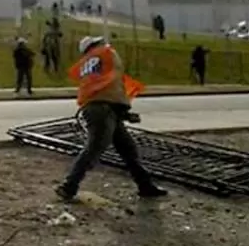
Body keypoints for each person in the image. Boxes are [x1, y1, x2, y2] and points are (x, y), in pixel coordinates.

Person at [56, 36, 167, 202]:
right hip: (102, 111)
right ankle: (68, 186)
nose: (105, 45)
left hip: (102, 109)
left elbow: (106, 91)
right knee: (93, 149)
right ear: (93, 47)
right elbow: (112, 89)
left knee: (128, 150)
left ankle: (145, 186)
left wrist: (123, 113)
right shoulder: (105, 55)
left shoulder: (92, 65)